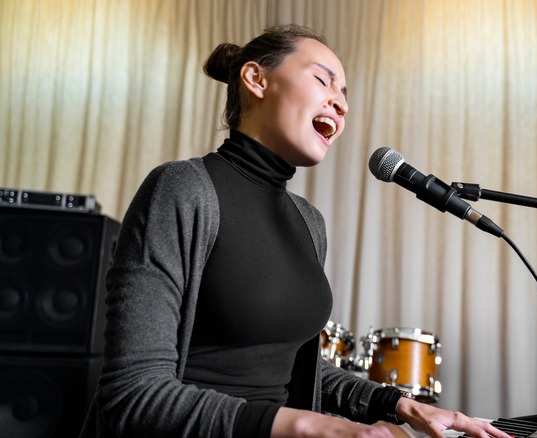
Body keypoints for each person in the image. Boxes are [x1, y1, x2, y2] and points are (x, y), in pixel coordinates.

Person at [80, 24, 510, 438]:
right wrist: (307, 425)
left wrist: (400, 405)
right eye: (323, 81)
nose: (341, 105)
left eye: (345, 95)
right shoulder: (182, 189)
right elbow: (133, 393)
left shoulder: (308, 221)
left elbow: (294, 370)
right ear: (256, 79)